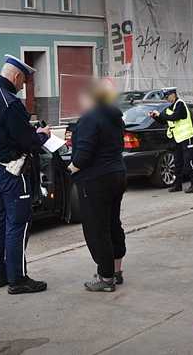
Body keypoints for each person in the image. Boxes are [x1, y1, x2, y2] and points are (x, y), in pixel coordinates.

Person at [0, 55, 50, 295]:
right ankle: (18, 279)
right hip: (12, 173)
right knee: (17, 225)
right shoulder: (10, 102)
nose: (22, 86)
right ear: (16, 76)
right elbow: (27, 141)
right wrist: (43, 135)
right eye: (23, 82)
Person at [68, 78, 127, 292]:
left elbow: (83, 154)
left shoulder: (90, 119)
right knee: (113, 223)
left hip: (95, 180)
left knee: (97, 229)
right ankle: (116, 270)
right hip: (117, 174)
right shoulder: (115, 117)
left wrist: (71, 169)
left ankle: (106, 278)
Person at [149, 88, 193, 193]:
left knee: (189, 162)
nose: (167, 99)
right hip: (177, 139)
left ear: (173, 94)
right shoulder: (170, 108)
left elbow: (175, 117)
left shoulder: (180, 104)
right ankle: (178, 186)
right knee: (177, 162)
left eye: (167, 97)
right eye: (166, 97)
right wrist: (155, 116)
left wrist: (160, 115)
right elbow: (164, 120)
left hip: (187, 137)